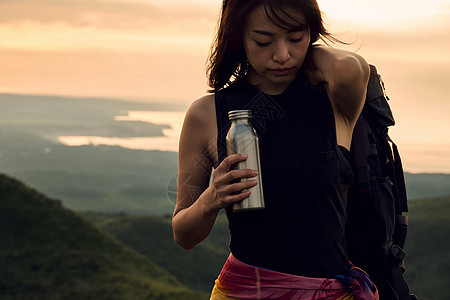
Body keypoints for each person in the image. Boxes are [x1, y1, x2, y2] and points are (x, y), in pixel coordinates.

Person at [172, 0, 378, 299]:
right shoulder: (206, 114)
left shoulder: (333, 101)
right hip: (244, 291)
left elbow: (347, 67)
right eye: (263, 41)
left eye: (296, 38)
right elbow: (184, 235)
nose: (282, 55)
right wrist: (210, 200)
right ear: (238, 38)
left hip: (328, 292)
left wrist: (307, 55)